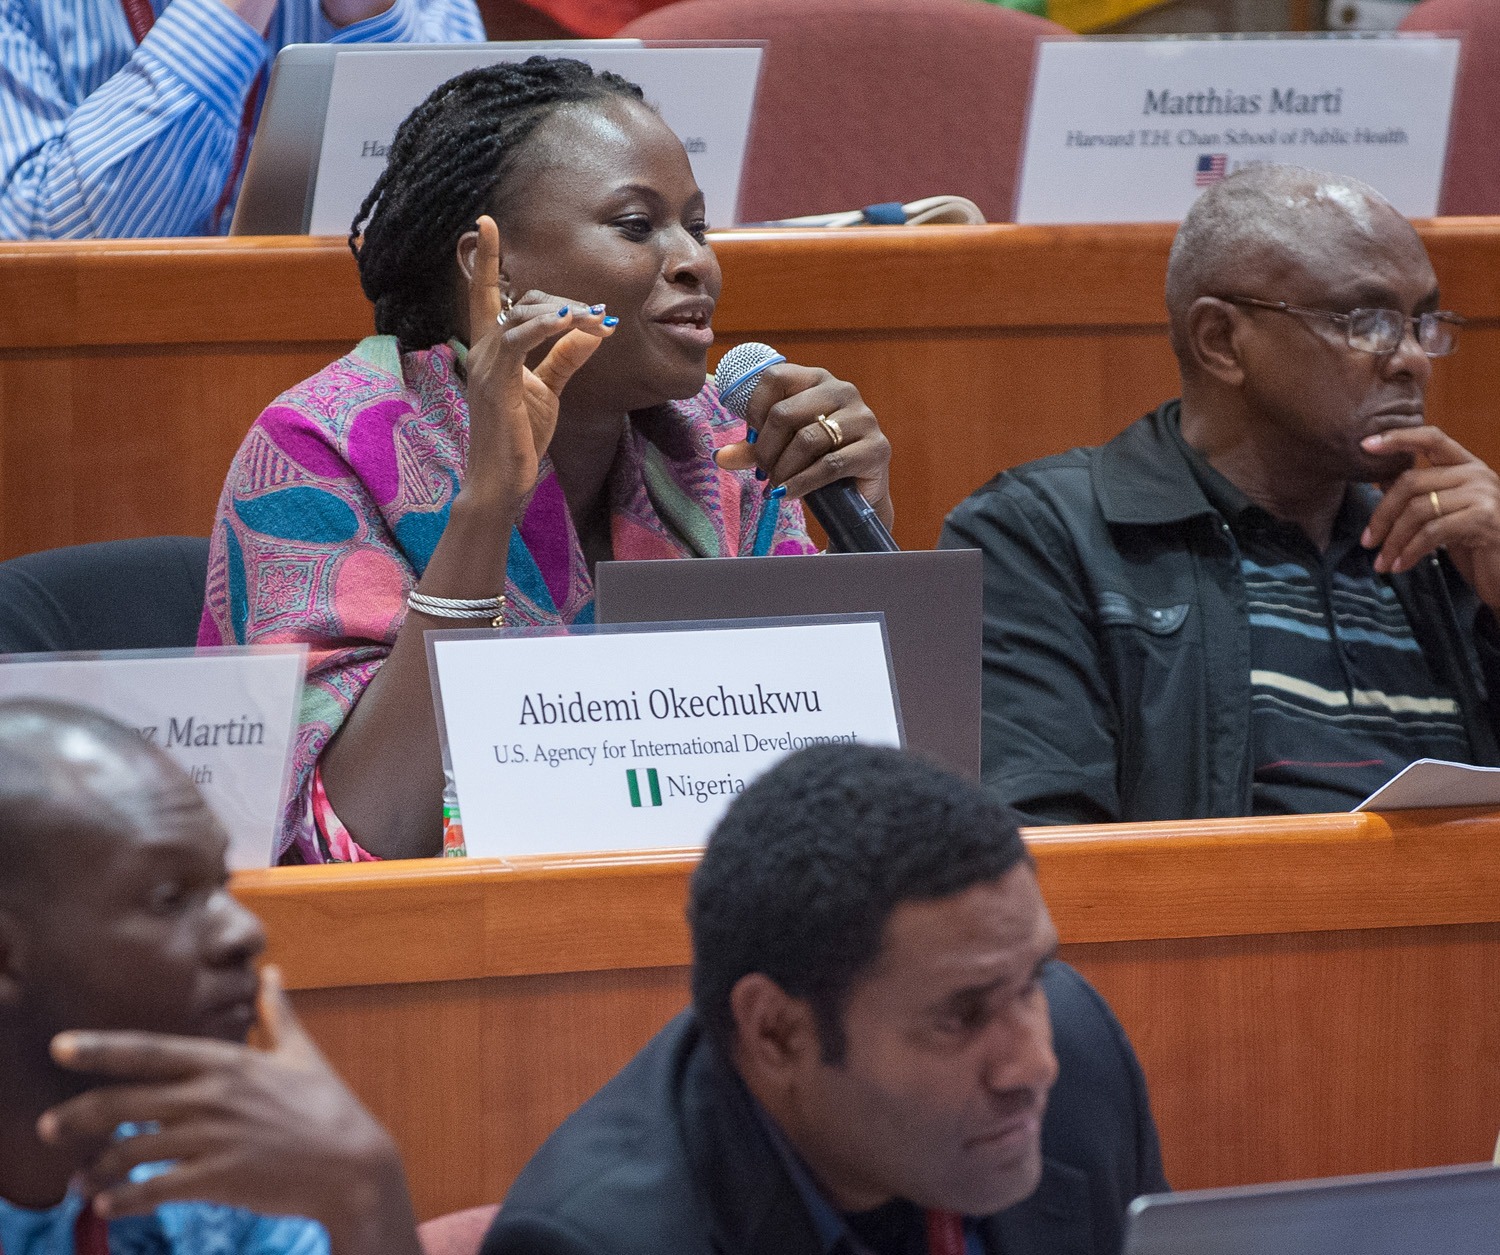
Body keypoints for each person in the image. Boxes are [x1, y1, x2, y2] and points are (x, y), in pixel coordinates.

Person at [199, 57, 894, 864]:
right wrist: (487, 507)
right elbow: (360, 835)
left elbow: (848, 791)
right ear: (492, 271)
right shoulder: (321, 446)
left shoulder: (720, 441)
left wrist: (867, 534)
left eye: (695, 228)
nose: (695, 261)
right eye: (637, 226)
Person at [940, 163, 1500, 825]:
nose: (1412, 358)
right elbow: (1041, 850)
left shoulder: (1452, 550)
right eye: (1367, 321)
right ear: (1221, 341)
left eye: (1423, 322)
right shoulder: (1041, 537)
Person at [484, 744, 1167, 1255]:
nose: (1032, 1063)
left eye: (1032, 979)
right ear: (778, 1032)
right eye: (960, 1015)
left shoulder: (1083, 1058)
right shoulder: (599, 1241)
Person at [0, 697, 424, 1255]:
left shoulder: (199, 1158)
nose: (244, 931)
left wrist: (368, 1190)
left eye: (221, 885)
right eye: (170, 897)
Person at [0, 0, 484, 239]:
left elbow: (471, 235)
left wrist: (368, 16)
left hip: (347, 393)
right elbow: (32, 264)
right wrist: (230, 11)